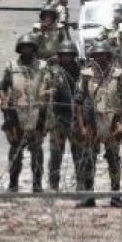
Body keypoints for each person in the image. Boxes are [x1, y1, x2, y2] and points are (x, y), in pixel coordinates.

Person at [75, 41, 122, 208]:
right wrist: (81, 126)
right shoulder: (86, 75)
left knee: (114, 159)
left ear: (108, 56)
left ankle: (115, 195)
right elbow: (78, 102)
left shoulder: (118, 75)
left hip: (112, 121)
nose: (100, 58)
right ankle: (89, 195)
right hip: (92, 121)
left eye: (103, 55)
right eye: (97, 56)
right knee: (89, 160)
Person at [0, 35, 51, 193]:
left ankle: (37, 184)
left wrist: (47, 96)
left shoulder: (42, 66)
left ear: (34, 49)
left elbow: (50, 86)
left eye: (30, 47)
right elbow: (1, 88)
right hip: (16, 114)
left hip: (37, 113)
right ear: (19, 49)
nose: (27, 50)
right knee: (15, 150)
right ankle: (13, 184)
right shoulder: (11, 67)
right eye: (24, 47)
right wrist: (4, 100)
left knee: (37, 151)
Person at [47, 40, 82, 191]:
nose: (66, 58)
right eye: (63, 55)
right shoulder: (53, 72)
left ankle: (80, 183)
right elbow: (44, 89)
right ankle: (53, 184)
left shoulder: (80, 71)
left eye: (69, 55)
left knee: (78, 153)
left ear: (74, 56)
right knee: (56, 153)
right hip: (58, 118)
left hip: (75, 118)